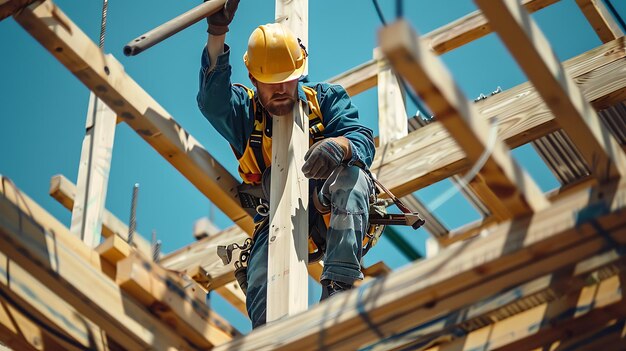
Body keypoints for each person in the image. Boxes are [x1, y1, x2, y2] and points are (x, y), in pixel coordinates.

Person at [197, 0, 375, 328]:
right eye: (270, 80)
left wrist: (339, 146)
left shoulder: (325, 101)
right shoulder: (245, 115)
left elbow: (361, 139)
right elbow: (212, 102)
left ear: (300, 72)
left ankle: (338, 290)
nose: (280, 89)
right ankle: (269, 340)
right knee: (261, 277)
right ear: (252, 76)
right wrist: (217, 33)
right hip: (280, 221)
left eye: (287, 79)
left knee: (352, 178)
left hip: (331, 212)